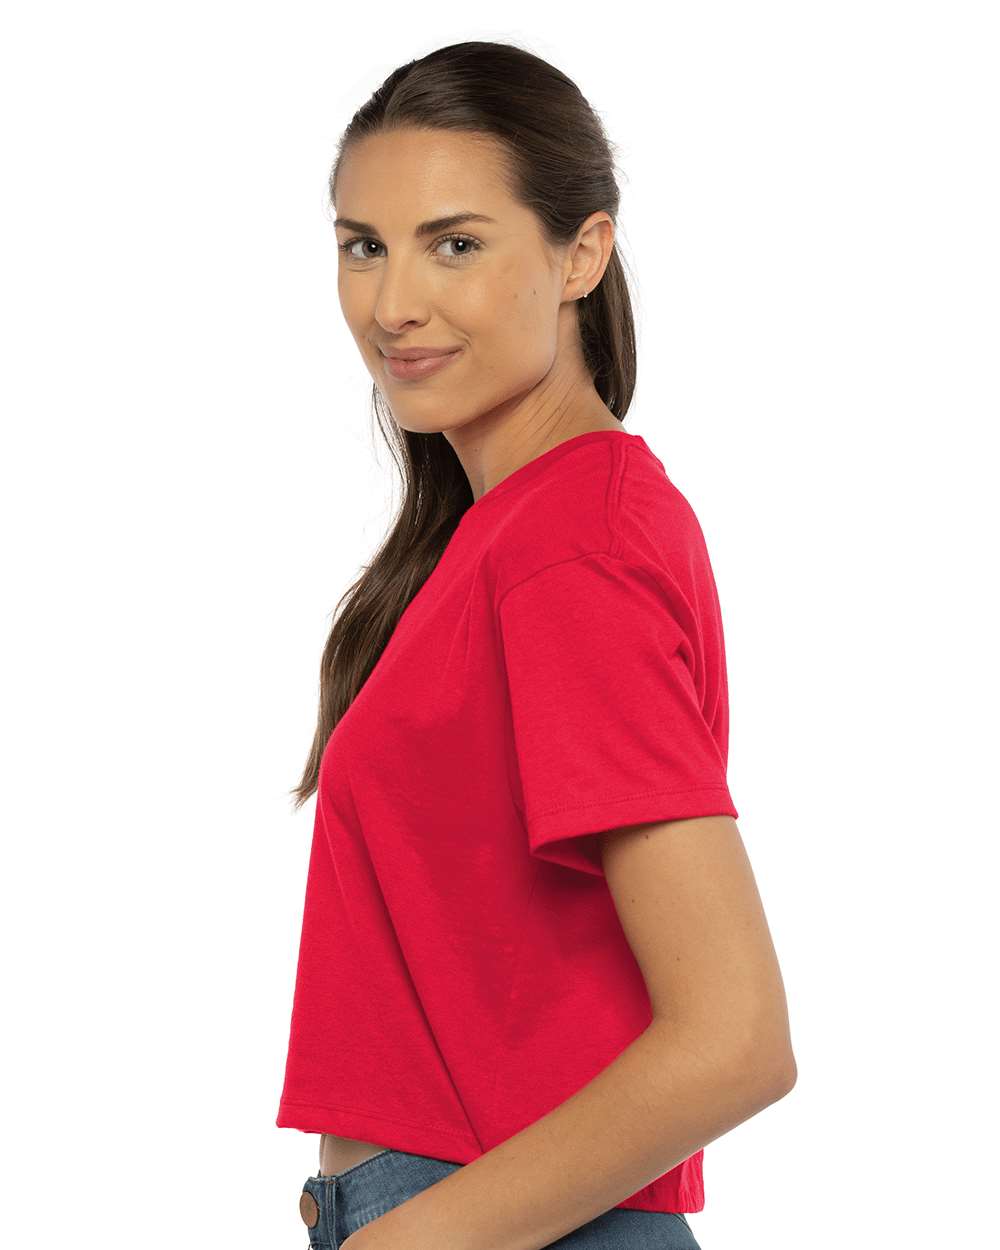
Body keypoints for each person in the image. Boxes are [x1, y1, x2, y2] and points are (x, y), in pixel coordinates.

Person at [277, 39, 796, 1250]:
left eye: (454, 243)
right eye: (364, 245)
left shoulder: (570, 545)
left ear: (581, 254)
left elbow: (736, 1036)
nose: (392, 304)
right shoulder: (515, 534)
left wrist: (405, 1240)